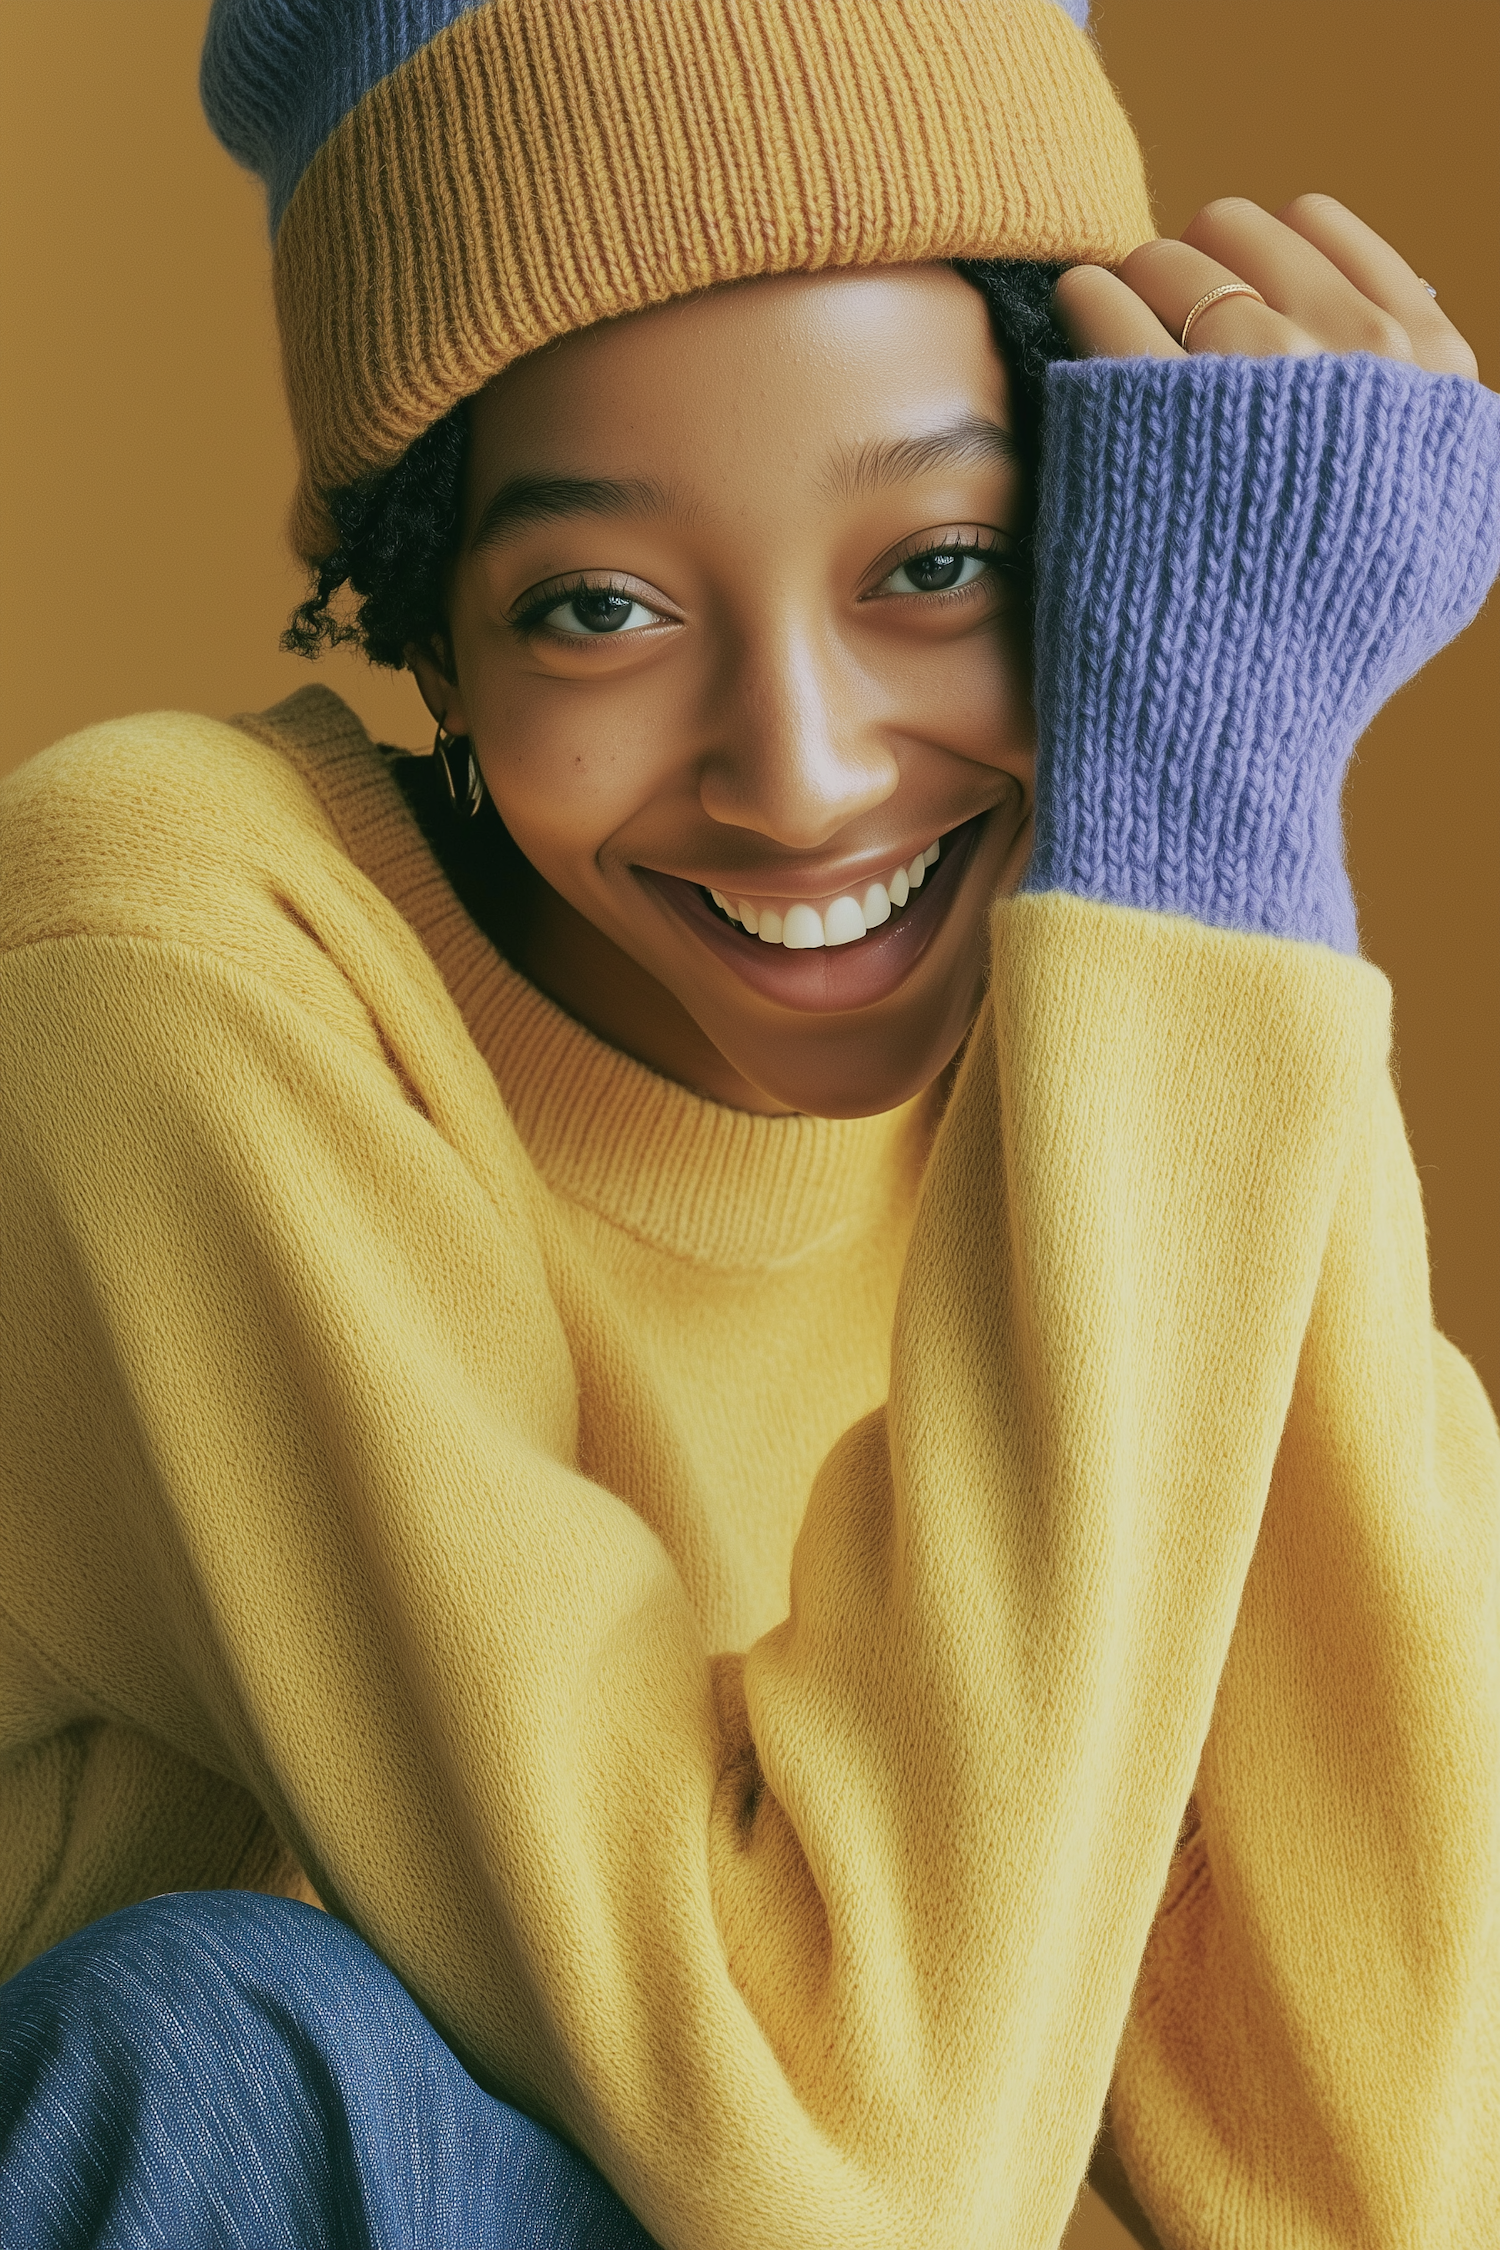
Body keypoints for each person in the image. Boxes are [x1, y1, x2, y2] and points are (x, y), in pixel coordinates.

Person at [1, 0, 1496, 2244]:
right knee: (222, 2046)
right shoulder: (175, 961)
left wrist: (1231, 849)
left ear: (1104, 550)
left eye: (939, 566)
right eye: (595, 609)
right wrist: (1183, 847)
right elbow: (840, 2189)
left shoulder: (1104, 987)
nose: (798, 776)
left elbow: (1373, 2163)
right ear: (427, 615)